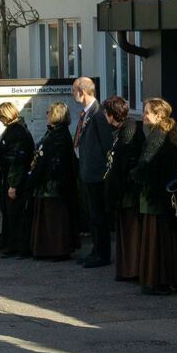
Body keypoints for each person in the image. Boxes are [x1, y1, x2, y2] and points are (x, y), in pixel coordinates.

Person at [131, 97, 177, 294]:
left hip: (156, 195)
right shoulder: (169, 133)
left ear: (158, 115)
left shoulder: (157, 136)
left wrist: (134, 175)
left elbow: (147, 165)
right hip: (167, 194)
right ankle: (170, 277)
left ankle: (159, 280)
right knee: (168, 238)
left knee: (158, 240)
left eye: (147, 112)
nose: (143, 115)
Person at [29, 102, 80, 261]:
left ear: (55, 115)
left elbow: (56, 161)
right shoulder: (53, 133)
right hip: (48, 184)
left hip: (55, 185)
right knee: (49, 218)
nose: (46, 115)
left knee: (56, 219)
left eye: (49, 112)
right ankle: (47, 249)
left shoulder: (60, 136)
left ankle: (59, 250)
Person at [73, 77, 115, 268]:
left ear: (82, 92)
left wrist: (103, 170)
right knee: (92, 214)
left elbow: (107, 144)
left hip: (96, 173)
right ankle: (95, 250)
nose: (73, 94)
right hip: (87, 170)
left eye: (74, 90)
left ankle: (102, 253)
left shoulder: (98, 114)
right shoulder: (87, 113)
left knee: (99, 215)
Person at [102, 96, 144, 282]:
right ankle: (127, 268)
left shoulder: (129, 129)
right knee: (125, 231)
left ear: (112, 115)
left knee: (131, 231)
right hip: (122, 190)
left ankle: (132, 269)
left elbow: (123, 163)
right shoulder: (121, 130)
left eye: (106, 113)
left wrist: (117, 187)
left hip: (128, 191)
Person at [0, 102, 34, 259]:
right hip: (13, 179)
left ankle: (19, 247)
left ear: (7, 115)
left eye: (0, 117)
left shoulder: (17, 133)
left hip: (16, 181)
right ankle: (14, 245)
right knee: (13, 214)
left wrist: (13, 185)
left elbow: (17, 161)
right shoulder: (17, 131)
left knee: (16, 214)